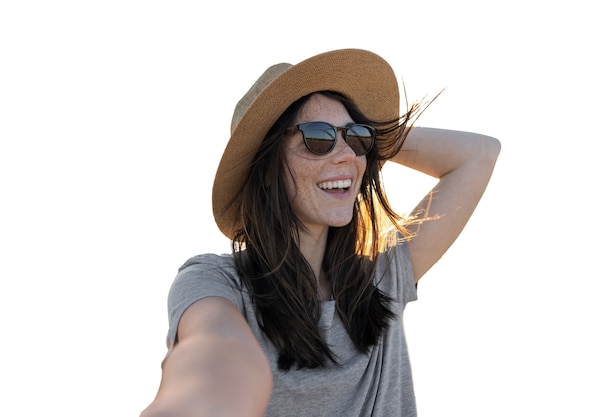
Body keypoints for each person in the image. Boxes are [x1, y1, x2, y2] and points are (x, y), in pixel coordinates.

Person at [140, 48, 501, 417]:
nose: (347, 155)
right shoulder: (216, 281)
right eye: (317, 137)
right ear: (266, 167)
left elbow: (480, 154)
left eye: (356, 138)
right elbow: (216, 351)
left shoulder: (381, 281)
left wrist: (375, 135)